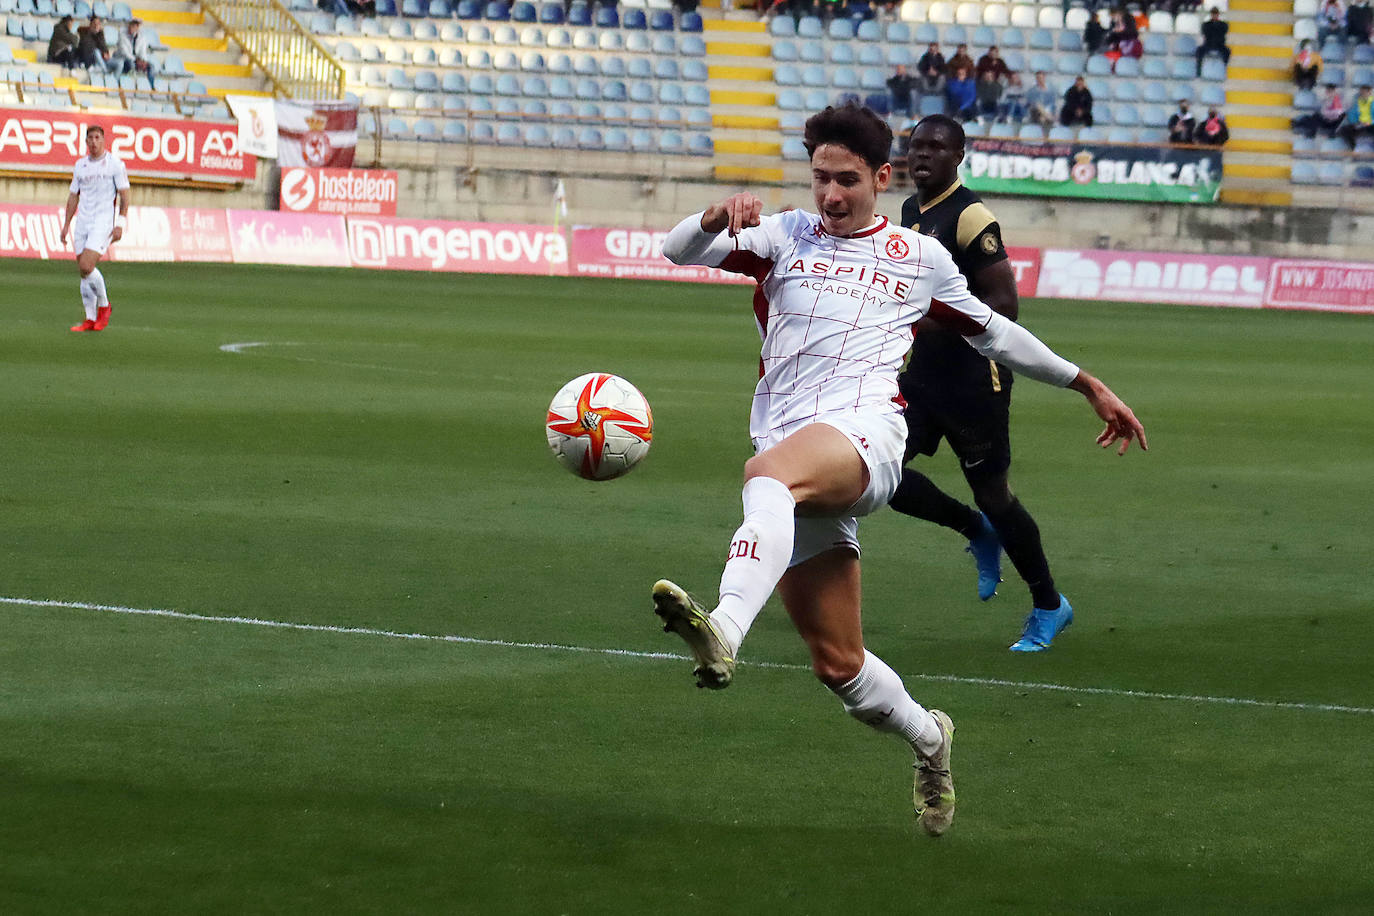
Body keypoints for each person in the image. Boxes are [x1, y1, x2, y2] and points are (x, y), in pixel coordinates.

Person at [655, 103, 1146, 835]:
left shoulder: (918, 259)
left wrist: (1088, 383)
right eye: (820, 177)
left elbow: (997, 334)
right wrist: (715, 215)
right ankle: (929, 740)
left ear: (881, 178)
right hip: (801, 455)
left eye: (847, 180)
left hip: (869, 438)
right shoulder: (785, 235)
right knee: (840, 667)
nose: (830, 195)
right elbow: (676, 252)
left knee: (764, 476)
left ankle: (724, 626)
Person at [894, 113, 1095, 650]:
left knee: (995, 495)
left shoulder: (971, 216)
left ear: (959, 156)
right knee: (879, 472)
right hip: (923, 375)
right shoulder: (912, 210)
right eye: (916, 146)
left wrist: (919, 317)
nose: (923, 155)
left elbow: (1004, 305)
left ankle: (1050, 605)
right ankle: (972, 529)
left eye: (937, 147)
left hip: (974, 381)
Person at [59, 125, 129, 333]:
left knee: (87, 265)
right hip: (83, 222)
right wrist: (66, 225)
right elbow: (73, 196)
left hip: (103, 223)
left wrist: (121, 223)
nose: (94, 142)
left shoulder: (115, 165)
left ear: (104, 140)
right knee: (83, 271)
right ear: (86, 142)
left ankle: (104, 306)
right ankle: (89, 319)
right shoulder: (80, 166)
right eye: (90, 138)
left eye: (97, 137)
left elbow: (125, 195)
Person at [109, 18, 157, 89]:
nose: (133, 28)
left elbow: (142, 51)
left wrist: (143, 61)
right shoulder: (122, 35)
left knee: (151, 66)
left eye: (135, 26)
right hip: (124, 59)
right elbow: (124, 52)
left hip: (136, 60)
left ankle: (151, 86)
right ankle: (122, 84)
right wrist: (136, 60)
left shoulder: (141, 37)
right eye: (132, 25)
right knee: (131, 64)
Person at [1196, 7, 1230, 76]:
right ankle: (1199, 70)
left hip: (1219, 45)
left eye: (1216, 14)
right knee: (1199, 51)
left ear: (1218, 15)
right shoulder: (1206, 24)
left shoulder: (1223, 24)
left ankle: (1224, 68)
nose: (1214, 15)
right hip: (1208, 44)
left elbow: (1223, 32)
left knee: (1227, 51)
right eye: (1213, 14)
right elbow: (1205, 33)